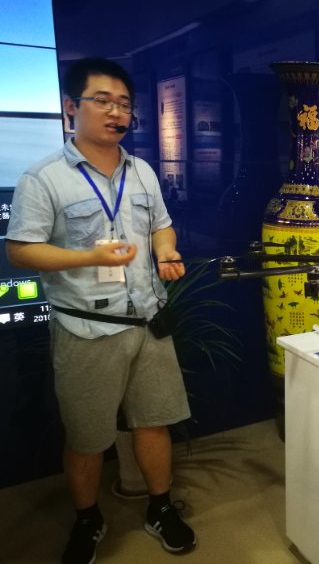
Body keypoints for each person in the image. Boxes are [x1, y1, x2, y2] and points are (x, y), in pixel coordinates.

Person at [5, 57, 196, 563]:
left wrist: (165, 252)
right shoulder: (44, 177)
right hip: (87, 328)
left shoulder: (143, 171)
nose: (116, 113)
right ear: (71, 107)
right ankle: (88, 519)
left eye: (124, 104)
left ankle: (160, 507)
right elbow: (20, 250)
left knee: (154, 422)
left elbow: (162, 225)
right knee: (87, 437)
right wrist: (90, 257)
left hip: (149, 321)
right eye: (103, 101)